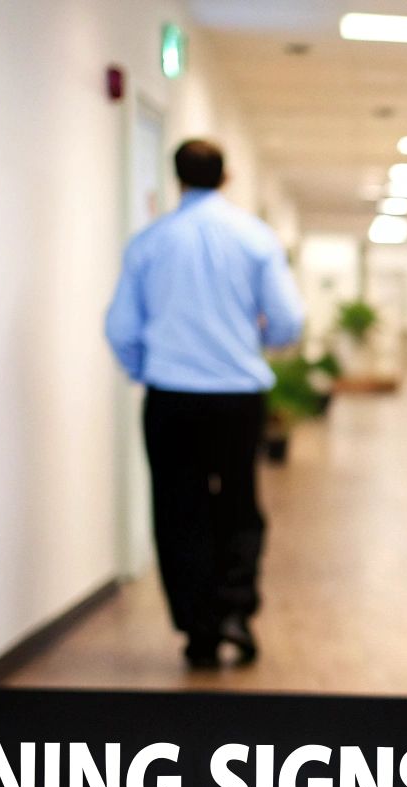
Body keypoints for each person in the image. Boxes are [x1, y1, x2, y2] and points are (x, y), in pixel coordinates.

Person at [105, 139, 304, 670]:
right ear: (227, 176)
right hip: (238, 398)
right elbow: (287, 320)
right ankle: (236, 613)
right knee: (238, 502)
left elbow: (121, 327)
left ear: (177, 178)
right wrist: (252, 342)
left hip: (171, 397)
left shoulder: (149, 242)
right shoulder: (256, 238)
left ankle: (198, 628)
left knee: (178, 509)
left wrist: (144, 370)